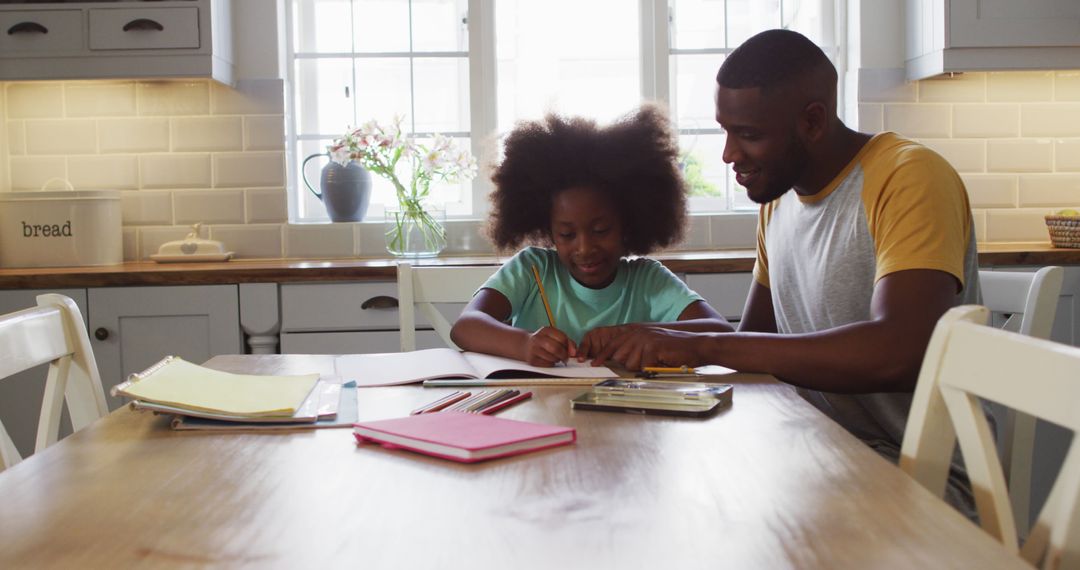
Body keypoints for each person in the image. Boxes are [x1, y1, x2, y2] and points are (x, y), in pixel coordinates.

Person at [589, 30, 980, 503]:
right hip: (813, 454)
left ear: (812, 120)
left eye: (749, 134)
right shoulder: (778, 206)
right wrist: (653, 340)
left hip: (914, 479)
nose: (730, 154)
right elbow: (755, 346)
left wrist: (698, 345)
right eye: (726, 131)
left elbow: (898, 352)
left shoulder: (907, 177)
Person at [450, 105, 733, 367]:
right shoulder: (532, 269)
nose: (584, 248)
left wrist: (633, 332)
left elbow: (719, 332)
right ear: (548, 231)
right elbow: (466, 327)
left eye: (601, 231)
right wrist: (524, 344)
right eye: (566, 234)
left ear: (629, 223)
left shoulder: (648, 281)